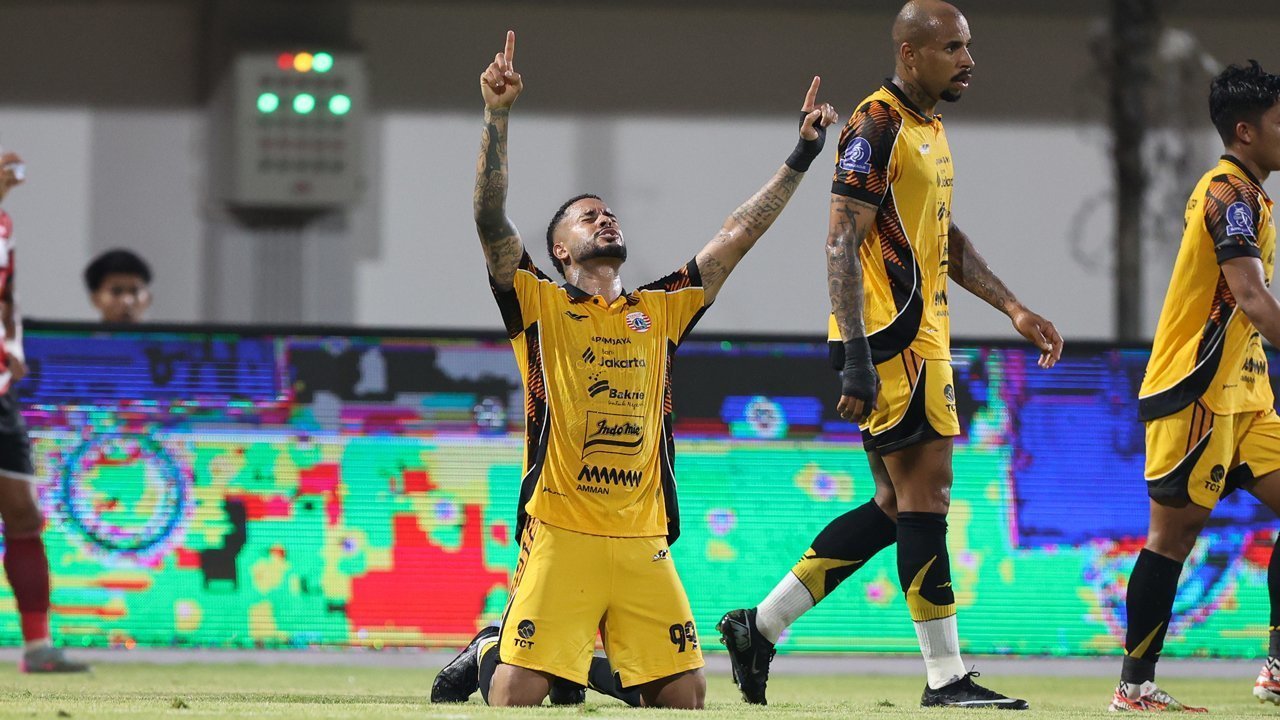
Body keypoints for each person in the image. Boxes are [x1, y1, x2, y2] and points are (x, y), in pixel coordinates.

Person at [429, 30, 837, 708]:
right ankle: (491, 649)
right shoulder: (537, 303)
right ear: (561, 251)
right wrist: (496, 115)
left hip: (643, 535)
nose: (606, 219)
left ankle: (571, 665)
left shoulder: (662, 309)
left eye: (610, 214)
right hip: (560, 530)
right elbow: (488, 215)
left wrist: (801, 155)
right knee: (513, 699)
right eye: (589, 217)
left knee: (685, 700)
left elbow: (737, 234)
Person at [717, 0, 1062, 709]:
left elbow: (943, 238)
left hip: (915, 339)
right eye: (953, 47)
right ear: (910, 53)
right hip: (893, 341)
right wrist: (856, 355)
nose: (968, 60)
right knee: (926, 498)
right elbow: (840, 240)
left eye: (967, 46)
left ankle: (761, 626)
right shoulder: (876, 125)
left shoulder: (928, 129)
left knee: (893, 503)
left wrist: (1013, 307)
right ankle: (946, 679)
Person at [1109, 60, 1280, 713]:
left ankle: (1278, 668)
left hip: (1247, 398)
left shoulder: (1252, 196)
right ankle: (1134, 686)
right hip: (1195, 393)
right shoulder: (1226, 195)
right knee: (1172, 540)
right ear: (1245, 131)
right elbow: (1251, 297)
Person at [0, 149, 88, 673]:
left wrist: (14, 345)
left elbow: (7, 295)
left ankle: (38, 648)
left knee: (23, 514)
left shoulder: (4, 225)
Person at [83, 249, 152, 324]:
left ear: (148, 298)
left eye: (135, 291)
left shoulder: (160, 332)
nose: (127, 301)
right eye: (116, 291)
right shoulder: (77, 332)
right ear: (95, 299)